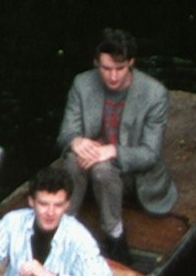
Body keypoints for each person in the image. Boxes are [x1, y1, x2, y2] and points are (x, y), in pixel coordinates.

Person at [58, 28, 177, 245]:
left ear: (131, 62)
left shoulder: (154, 93)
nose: (113, 76)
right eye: (106, 68)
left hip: (133, 176)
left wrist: (111, 151)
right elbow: (66, 134)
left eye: (120, 68)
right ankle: (63, 229)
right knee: (74, 160)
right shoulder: (81, 84)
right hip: (89, 166)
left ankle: (115, 236)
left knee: (102, 169)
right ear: (96, 63)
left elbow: (149, 155)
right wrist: (76, 141)